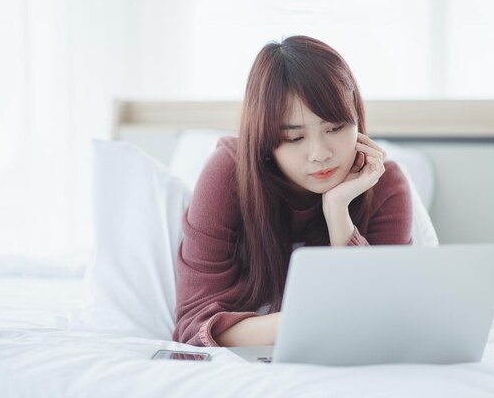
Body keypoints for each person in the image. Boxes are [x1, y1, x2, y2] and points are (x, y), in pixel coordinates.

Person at [173, 35, 413, 347]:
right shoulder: (229, 174)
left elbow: (387, 321)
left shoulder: (385, 185)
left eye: (336, 128)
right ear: (264, 140)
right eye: (294, 137)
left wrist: (338, 212)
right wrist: (313, 319)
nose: (320, 153)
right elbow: (192, 329)